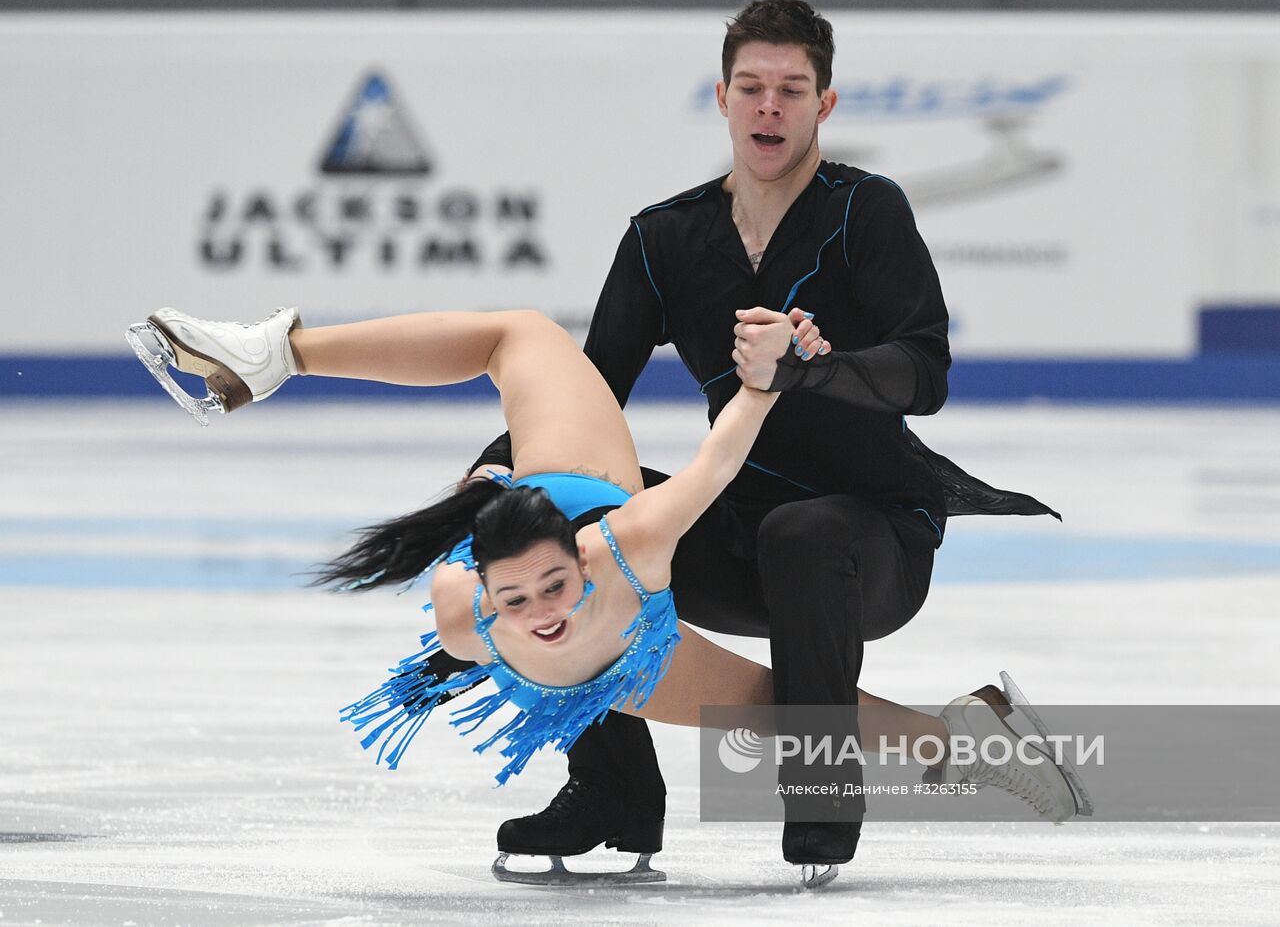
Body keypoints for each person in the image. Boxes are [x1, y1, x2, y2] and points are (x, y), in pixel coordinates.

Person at [128, 304, 1084, 888]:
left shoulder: (625, 545)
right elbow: (478, 581)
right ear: (489, 599)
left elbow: (714, 463)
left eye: (553, 582)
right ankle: (973, 736)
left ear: (580, 561)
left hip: (632, 624)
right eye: (520, 597)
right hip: (586, 661)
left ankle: (276, 351)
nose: (543, 604)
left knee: (523, 336)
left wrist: (767, 381)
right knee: (795, 713)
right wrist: (483, 493)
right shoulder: (470, 619)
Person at [455, 0, 1067, 873]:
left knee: (803, 531)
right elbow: (588, 393)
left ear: (826, 103)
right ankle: (614, 786)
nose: (769, 107)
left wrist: (811, 369)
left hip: (874, 535)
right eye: (752, 88)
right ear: (722, 98)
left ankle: (822, 792)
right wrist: (498, 467)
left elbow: (925, 372)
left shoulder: (867, 210)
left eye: (791, 89)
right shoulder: (665, 238)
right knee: (558, 516)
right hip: (739, 527)